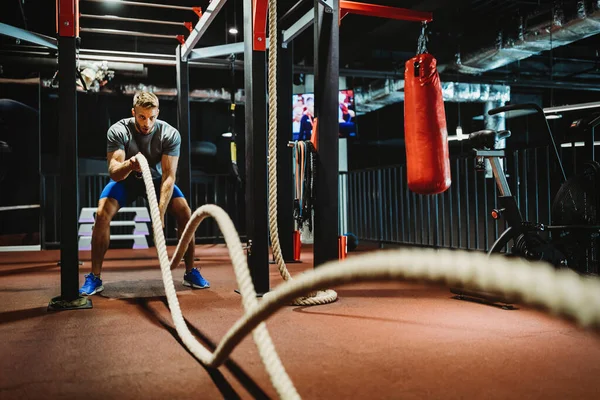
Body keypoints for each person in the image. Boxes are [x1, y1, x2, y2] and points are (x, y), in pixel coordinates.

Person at [79, 91, 209, 296]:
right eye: (141, 117)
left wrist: (160, 213)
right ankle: (95, 277)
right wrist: (130, 164)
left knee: (185, 212)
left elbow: (168, 176)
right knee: (102, 214)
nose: (147, 123)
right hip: (126, 182)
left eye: (152, 117)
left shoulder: (170, 134)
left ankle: (191, 271)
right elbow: (114, 173)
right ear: (133, 112)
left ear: (158, 113)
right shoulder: (119, 130)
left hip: (157, 182)